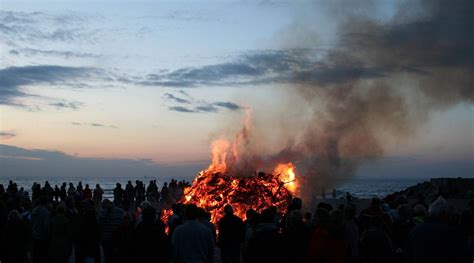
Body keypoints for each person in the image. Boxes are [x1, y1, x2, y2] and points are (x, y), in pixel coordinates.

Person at [406, 197, 470, 263]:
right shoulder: (451, 232)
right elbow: (462, 255)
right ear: (444, 213)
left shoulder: (416, 230)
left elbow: (409, 253)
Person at [99, 199, 124, 263]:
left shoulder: (102, 212)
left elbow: (100, 225)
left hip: (106, 238)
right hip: (117, 238)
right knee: (116, 256)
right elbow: (122, 223)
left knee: (107, 257)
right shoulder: (120, 211)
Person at [31, 196, 51, 263]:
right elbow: (46, 226)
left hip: (34, 235)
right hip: (43, 237)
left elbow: (31, 222)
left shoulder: (34, 210)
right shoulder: (46, 212)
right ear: (46, 203)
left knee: (36, 255)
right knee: (43, 255)